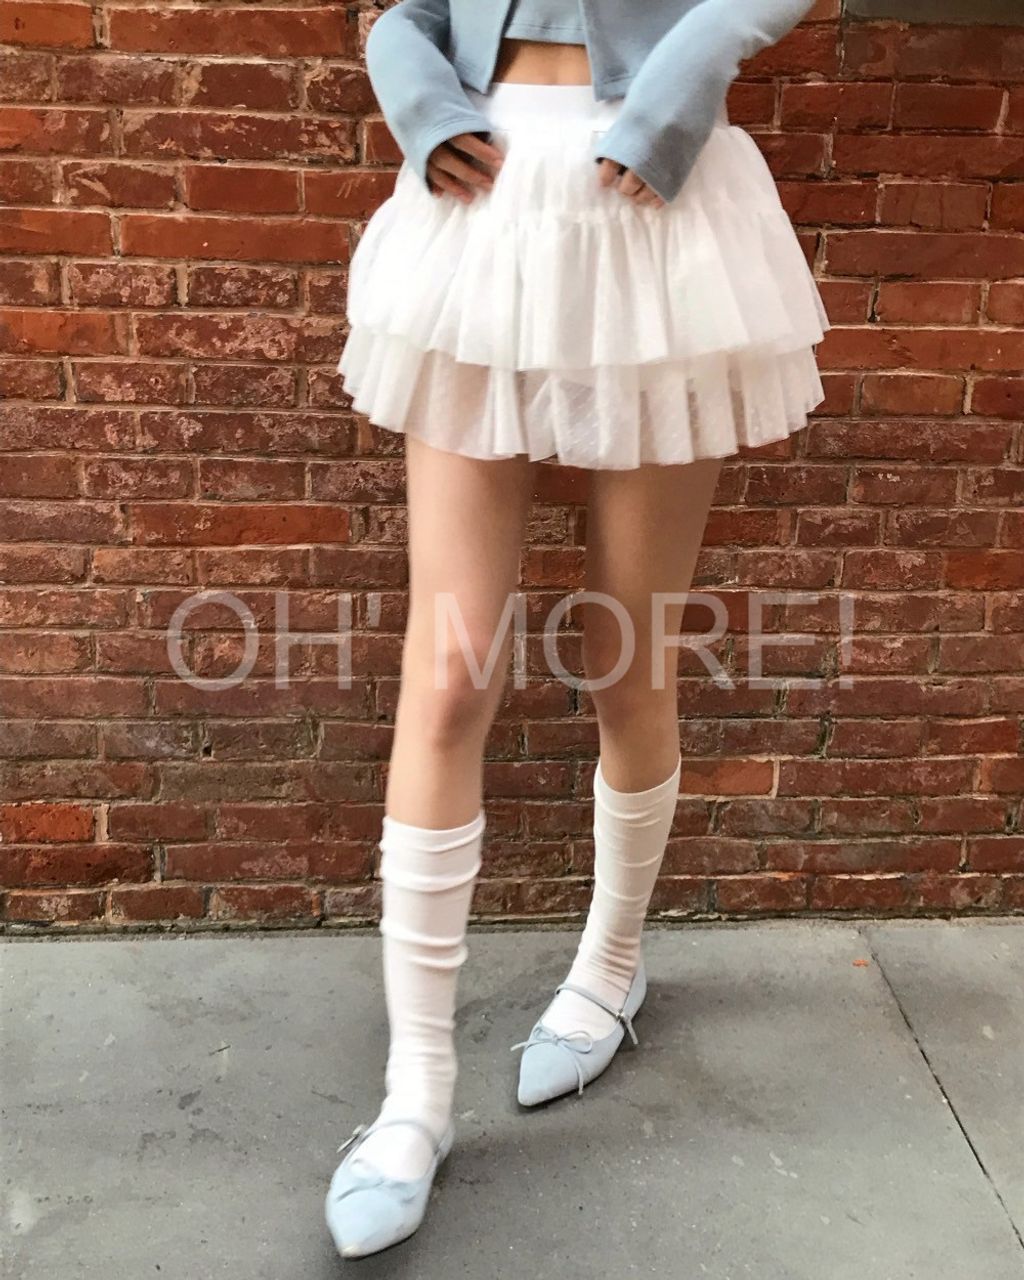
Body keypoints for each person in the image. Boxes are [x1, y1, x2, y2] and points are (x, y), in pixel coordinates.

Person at [325, 0, 829, 1258]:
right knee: (449, 671)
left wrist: (687, 72)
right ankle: (414, 1093)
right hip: (482, 201)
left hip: (654, 198)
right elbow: (407, 13)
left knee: (625, 657)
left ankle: (610, 964)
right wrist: (415, 93)